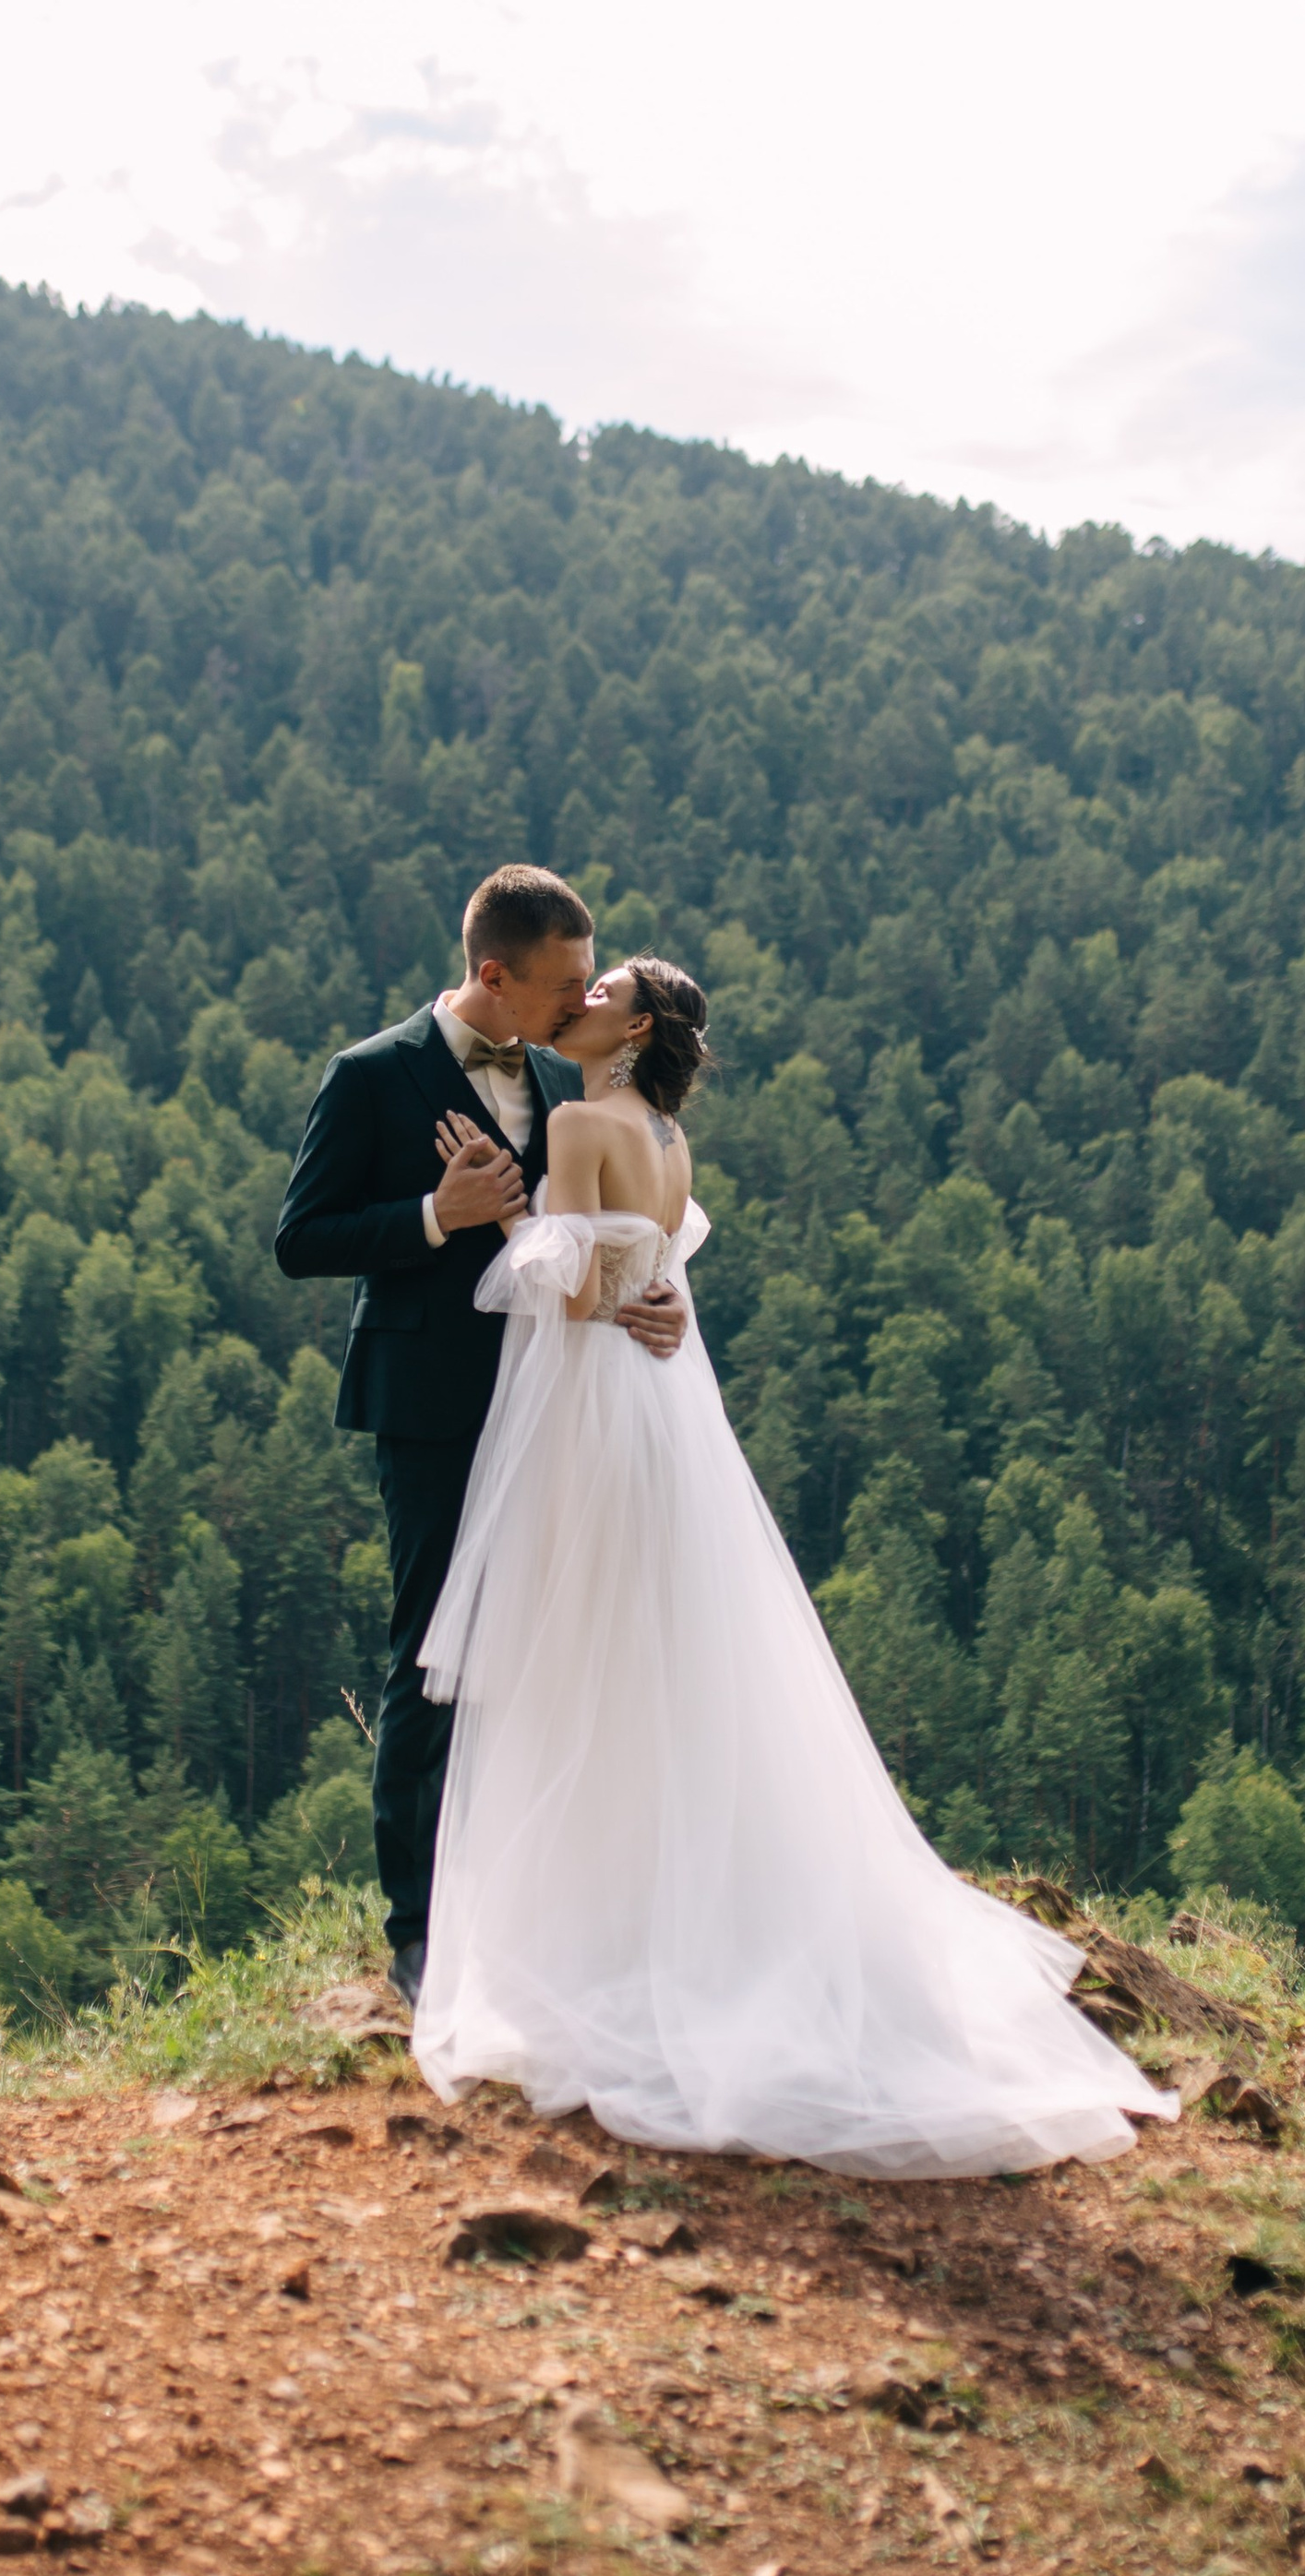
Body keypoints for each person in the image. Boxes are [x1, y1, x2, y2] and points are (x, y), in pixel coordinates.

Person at [410, 951, 1175, 2178]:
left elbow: (567, 1291)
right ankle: (664, 1921)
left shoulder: (581, 1121)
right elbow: (645, 1279)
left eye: (603, 993)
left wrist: (494, 1204)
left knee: (587, 1659)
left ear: (639, 1021)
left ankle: (596, 1943)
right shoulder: (662, 1132)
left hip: (594, 1413)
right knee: (666, 1655)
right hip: (662, 1410)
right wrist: (614, 1281)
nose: (583, 999)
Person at [273, 866, 687, 2009]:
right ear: (492, 975)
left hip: (564, 1397)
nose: (571, 1005)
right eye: (556, 986)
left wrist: (661, 1296)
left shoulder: (565, 1077)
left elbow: (618, 1229)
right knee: (437, 1656)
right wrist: (429, 1217)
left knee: (558, 1650)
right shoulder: (369, 1077)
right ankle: (418, 1935)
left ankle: (540, 1912)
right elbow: (298, 1238)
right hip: (437, 1408)